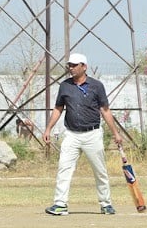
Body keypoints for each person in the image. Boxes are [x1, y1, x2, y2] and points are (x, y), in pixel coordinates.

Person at [43, 53, 123, 216]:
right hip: (71, 135)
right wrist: (48, 129)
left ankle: (106, 203)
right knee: (64, 168)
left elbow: (105, 110)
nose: (71, 68)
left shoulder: (97, 86)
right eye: (69, 65)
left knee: (99, 170)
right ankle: (60, 204)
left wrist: (116, 133)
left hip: (92, 134)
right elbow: (58, 108)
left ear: (84, 67)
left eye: (74, 65)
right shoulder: (65, 86)